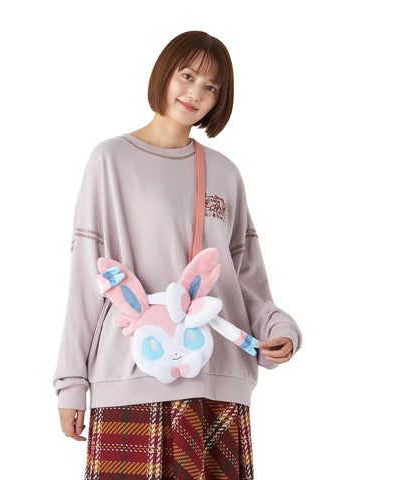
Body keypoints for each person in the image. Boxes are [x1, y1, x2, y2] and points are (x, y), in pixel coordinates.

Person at [53, 30, 302, 479]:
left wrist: (278, 329)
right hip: (130, 376)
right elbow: (87, 279)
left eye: (211, 87)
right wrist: (71, 383)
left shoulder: (225, 173)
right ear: (164, 74)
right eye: (187, 76)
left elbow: (244, 279)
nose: (196, 93)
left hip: (215, 380)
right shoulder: (110, 160)